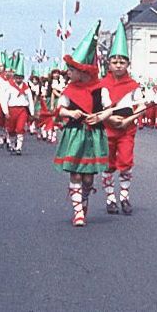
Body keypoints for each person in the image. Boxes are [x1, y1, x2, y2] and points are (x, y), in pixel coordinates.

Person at [54, 22, 112, 227]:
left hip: (93, 134)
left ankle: (84, 198)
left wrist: (100, 117)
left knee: (88, 177)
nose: (68, 72)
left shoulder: (100, 89)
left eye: (72, 69)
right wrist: (71, 112)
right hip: (75, 133)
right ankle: (78, 211)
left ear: (84, 70)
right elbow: (60, 109)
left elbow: (109, 108)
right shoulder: (69, 90)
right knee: (75, 171)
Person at [99, 23, 143, 215]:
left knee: (126, 162)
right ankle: (110, 198)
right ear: (109, 64)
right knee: (108, 163)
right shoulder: (101, 85)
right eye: (114, 61)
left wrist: (127, 121)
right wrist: (108, 120)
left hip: (126, 129)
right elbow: (97, 108)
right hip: (107, 129)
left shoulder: (134, 85)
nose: (118, 65)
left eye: (122, 62)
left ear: (127, 64)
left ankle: (124, 197)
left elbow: (141, 106)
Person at [0, 57, 33, 155]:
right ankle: (11, 143)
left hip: (22, 110)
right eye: (17, 77)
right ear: (14, 78)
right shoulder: (10, 87)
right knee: (11, 129)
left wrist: (31, 112)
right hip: (11, 109)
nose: (18, 79)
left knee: (20, 128)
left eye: (20, 77)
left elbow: (30, 100)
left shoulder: (26, 88)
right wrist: (5, 111)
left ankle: (19, 147)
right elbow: (5, 100)